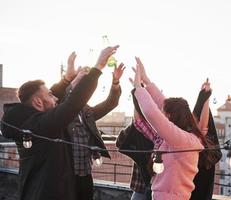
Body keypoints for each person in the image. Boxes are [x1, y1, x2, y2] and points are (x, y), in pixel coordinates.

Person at [0, 45, 119, 200]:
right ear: (37, 102)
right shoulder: (41, 125)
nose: (56, 98)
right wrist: (98, 67)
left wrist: (66, 79)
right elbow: (71, 104)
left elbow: (49, 101)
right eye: (50, 94)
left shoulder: (32, 120)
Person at [130, 57, 210, 200]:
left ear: (171, 116)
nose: (161, 113)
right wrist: (147, 81)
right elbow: (162, 103)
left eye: (164, 113)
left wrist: (138, 88)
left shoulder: (182, 140)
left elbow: (152, 113)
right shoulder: (182, 136)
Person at [63, 52, 125, 200]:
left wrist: (115, 82)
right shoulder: (61, 110)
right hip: (66, 176)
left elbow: (110, 104)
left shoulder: (87, 111)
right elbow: (67, 94)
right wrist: (76, 76)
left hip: (85, 174)